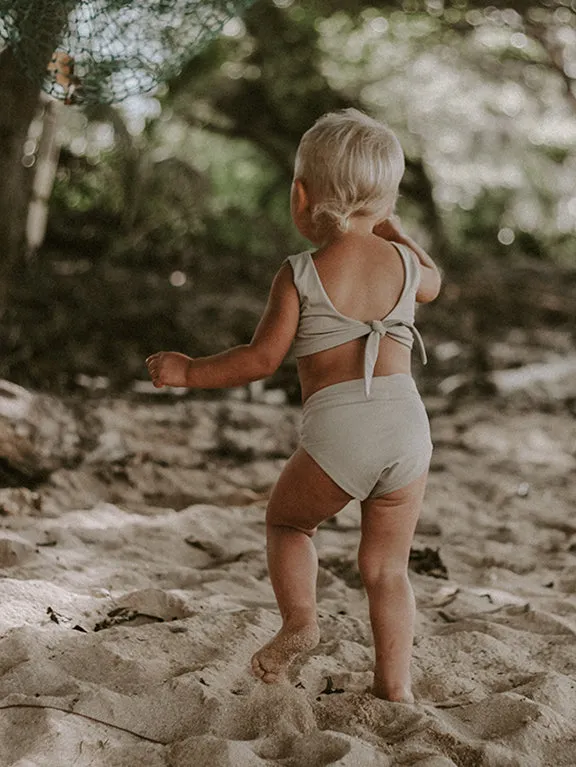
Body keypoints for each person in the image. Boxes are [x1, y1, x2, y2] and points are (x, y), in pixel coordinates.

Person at [145, 108, 441, 703]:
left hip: (341, 436)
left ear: (300, 196)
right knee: (387, 569)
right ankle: (395, 685)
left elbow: (259, 360)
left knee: (288, 522)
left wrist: (189, 371)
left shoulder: (301, 274)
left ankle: (300, 619)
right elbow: (435, 281)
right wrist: (399, 234)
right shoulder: (408, 266)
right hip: (409, 433)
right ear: (386, 204)